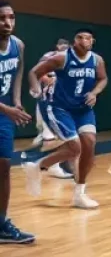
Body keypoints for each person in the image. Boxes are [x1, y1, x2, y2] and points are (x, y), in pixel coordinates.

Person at [25, 29, 108, 209]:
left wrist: (95, 92)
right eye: (80, 37)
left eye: (88, 38)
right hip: (59, 107)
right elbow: (34, 72)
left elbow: (103, 79)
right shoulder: (61, 58)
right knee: (75, 147)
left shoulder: (97, 60)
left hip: (83, 108)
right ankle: (39, 166)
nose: (84, 40)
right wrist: (36, 89)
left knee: (89, 144)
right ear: (74, 41)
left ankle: (79, 194)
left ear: (93, 41)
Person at [0, 1, 34, 244]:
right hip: (5, 111)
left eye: (11, 17)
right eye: (2, 18)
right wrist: (8, 109)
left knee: (4, 167)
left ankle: (1, 224)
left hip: (4, 114)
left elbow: (19, 72)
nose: (7, 22)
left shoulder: (18, 45)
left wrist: (17, 101)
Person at [24, 39, 73, 175]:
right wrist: (49, 80)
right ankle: (49, 165)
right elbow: (39, 74)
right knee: (52, 136)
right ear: (57, 46)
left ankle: (42, 160)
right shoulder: (49, 57)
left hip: (56, 101)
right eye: (61, 46)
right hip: (46, 99)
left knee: (53, 135)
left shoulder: (69, 61)